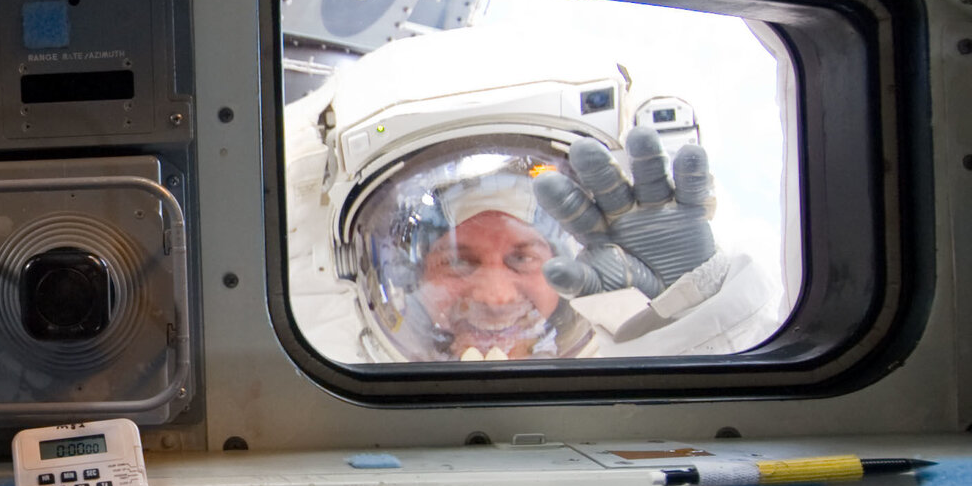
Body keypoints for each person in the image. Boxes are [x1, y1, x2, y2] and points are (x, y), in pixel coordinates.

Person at [333, 127, 777, 362]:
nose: (495, 296)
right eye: (457, 260)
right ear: (410, 276)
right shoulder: (336, 385)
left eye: (523, 257)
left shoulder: (627, 384)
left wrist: (691, 312)